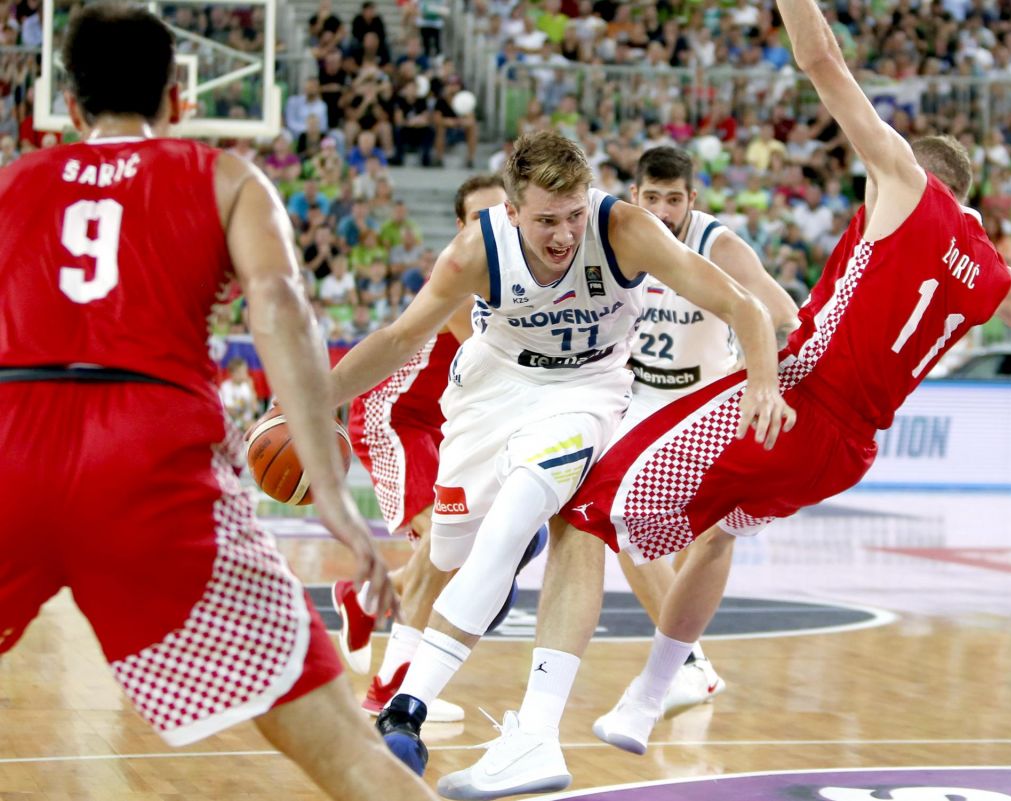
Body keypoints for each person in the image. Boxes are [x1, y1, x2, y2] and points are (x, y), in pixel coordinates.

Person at [559, 0, 1011, 768]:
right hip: (846, 452)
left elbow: (823, 65)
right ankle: (649, 694)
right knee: (715, 538)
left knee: (582, 505)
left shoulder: (905, 182)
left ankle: (525, 718)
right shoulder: (994, 274)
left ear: (910, 170)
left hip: (799, 394)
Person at [0, 7, 438, 801]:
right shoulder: (226, 176)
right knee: (344, 751)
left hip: (11, 442)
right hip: (149, 457)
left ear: (67, 107)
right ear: (177, 98)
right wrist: (334, 500)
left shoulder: (9, 183)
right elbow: (281, 306)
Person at [327, 130, 793, 790]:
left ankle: (407, 708)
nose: (564, 235)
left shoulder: (624, 229)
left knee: (521, 513)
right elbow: (402, 335)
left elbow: (742, 304)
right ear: (513, 210)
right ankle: (413, 684)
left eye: (574, 215)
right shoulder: (475, 251)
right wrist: (306, 399)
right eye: (547, 220)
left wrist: (764, 382)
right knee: (450, 551)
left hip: (586, 391)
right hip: (492, 390)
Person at [332, 175, 547, 723]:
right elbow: (502, 362)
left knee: (461, 553)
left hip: (451, 425)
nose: (492, 226)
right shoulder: (461, 273)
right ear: (460, 228)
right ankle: (392, 688)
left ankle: (366, 604)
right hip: (397, 417)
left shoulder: (528, 273)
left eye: (501, 214)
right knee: (444, 544)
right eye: (479, 218)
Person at [614, 146, 799, 716]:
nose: (663, 211)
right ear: (635, 196)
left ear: (692, 200)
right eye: (652, 199)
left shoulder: (719, 247)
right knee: (622, 528)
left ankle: (685, 661)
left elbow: (786, 317)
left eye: (674, 200)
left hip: (702, 402)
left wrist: (763, 383)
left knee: (698, 540)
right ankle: (690, 662)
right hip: (636, 400)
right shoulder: (619, 234)